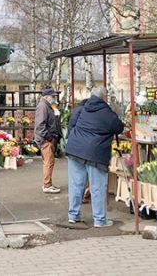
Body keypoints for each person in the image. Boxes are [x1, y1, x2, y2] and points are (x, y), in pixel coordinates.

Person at [65, 86, 124, 228]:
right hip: (95, 153)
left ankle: (73, 216)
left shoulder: (82, 108)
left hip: (75, 149)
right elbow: (119, 128)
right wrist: (116, 112)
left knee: (75, 185)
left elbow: (72, 124)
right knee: (97, 187)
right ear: (104, 97)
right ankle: (100, 220)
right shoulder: (107, 112)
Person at [34, 87, 62, 194]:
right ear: (47, 97)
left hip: (47, 138)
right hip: (46, 140)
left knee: (49, 162)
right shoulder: (42, 107)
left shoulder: (46, 106)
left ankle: (48, 183)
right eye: (52, 96)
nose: (54, 98)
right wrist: (49, 138)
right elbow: (40, 125)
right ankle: (47, 185)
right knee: (48, 162)